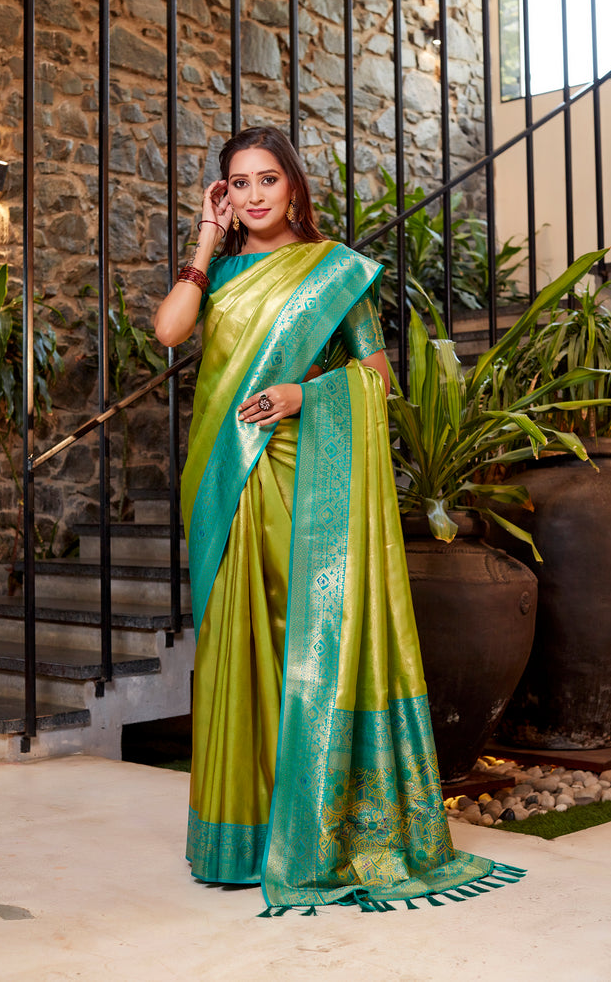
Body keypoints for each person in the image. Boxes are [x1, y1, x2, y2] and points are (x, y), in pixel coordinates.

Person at [154, 126, 522, 913]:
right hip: (226, 477)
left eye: (267, 179)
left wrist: (301, 395)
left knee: (305, 646)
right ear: (225, 195)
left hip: (302, 475)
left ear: (293, 186)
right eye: (239, 183)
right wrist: (205, 237)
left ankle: (314, 832)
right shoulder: (220, 271)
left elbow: (377, 378)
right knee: (240, 646)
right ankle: (244, 836)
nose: (254, 195)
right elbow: (169, 330)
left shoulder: (336, 271)